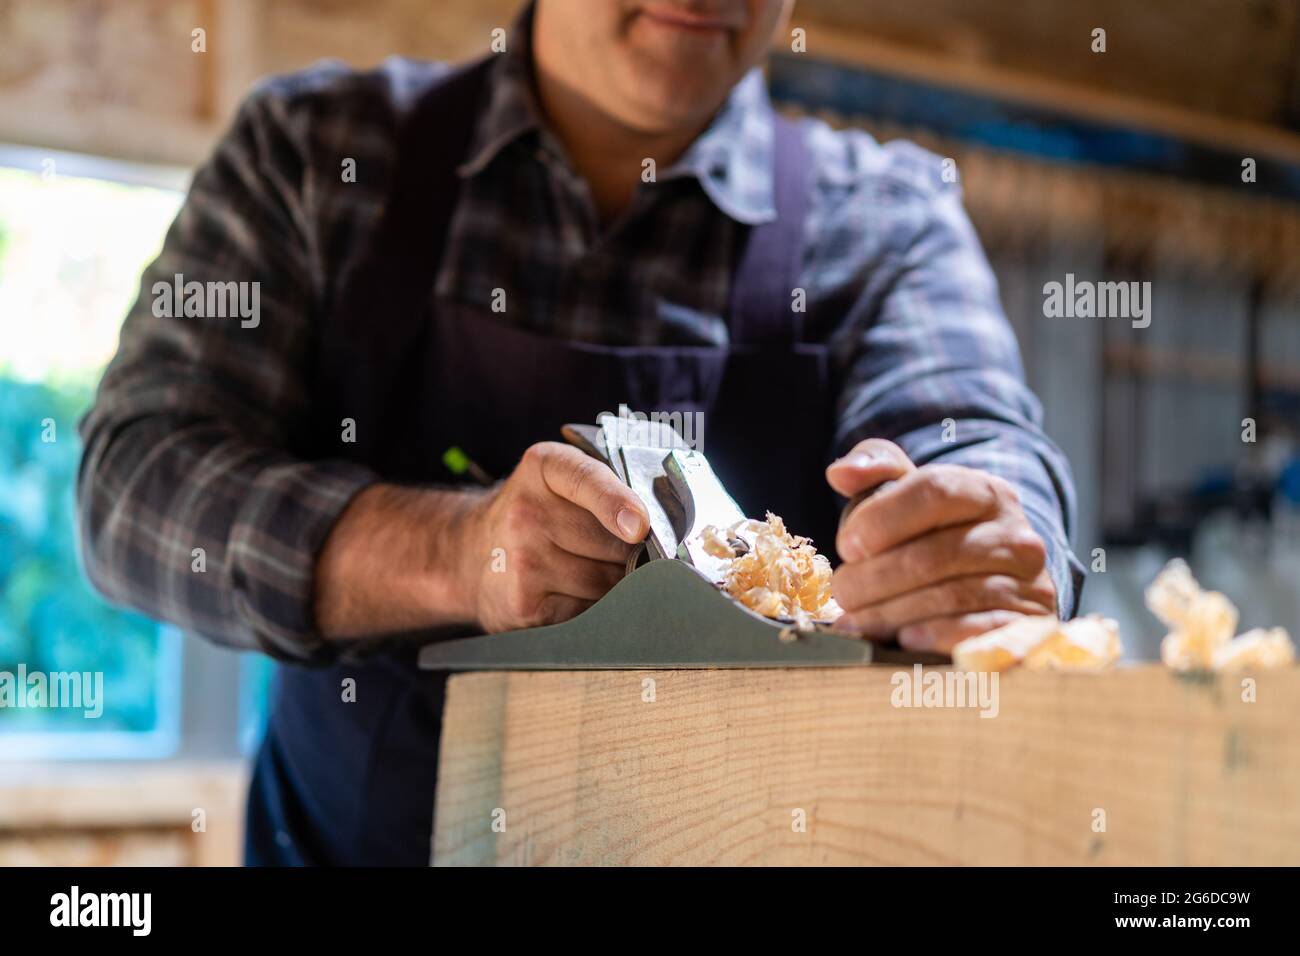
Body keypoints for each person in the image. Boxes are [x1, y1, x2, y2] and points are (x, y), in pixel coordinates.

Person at [77, 0, 1082, 865]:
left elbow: (979, 438)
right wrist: (454, 551)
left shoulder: (887, 217)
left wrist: (980, 532)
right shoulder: (313, 152)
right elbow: (133, 483)